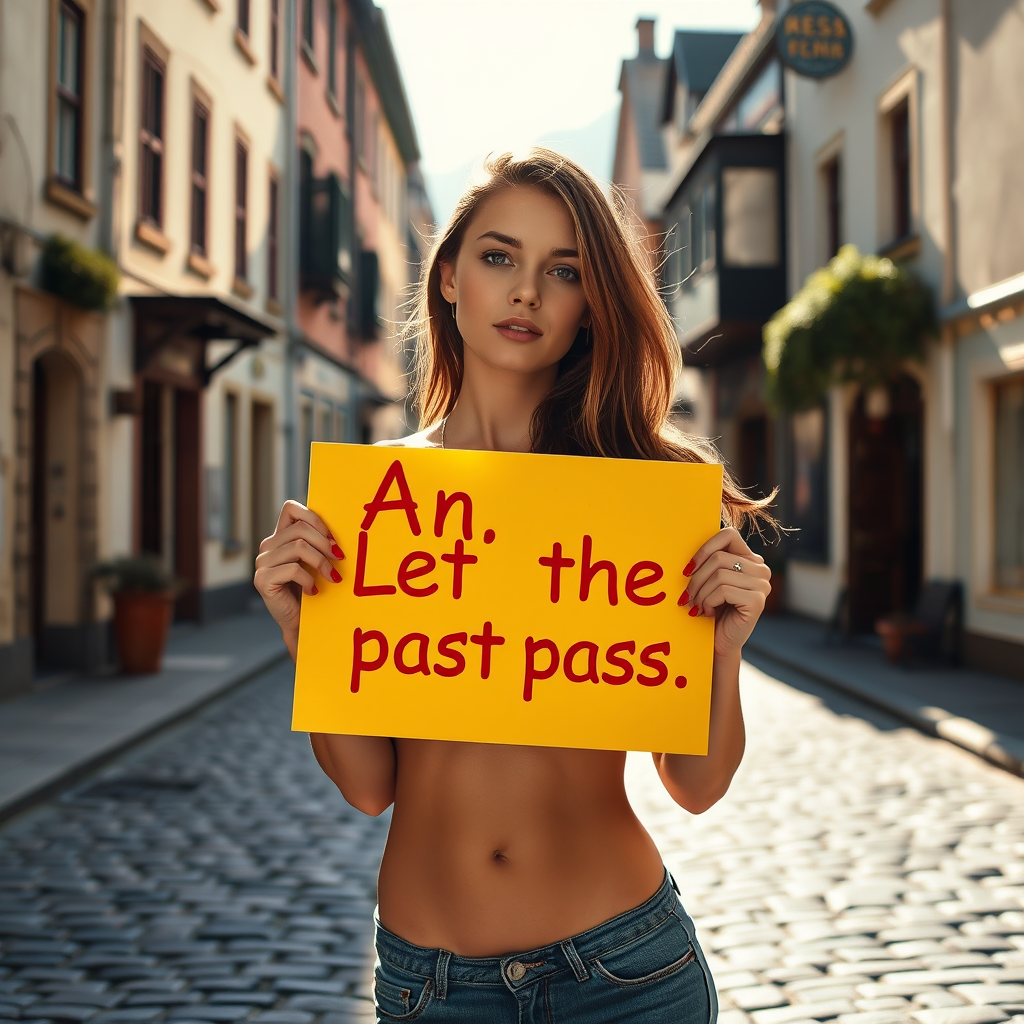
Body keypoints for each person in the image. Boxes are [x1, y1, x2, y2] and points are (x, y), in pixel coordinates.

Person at [254, 148, 774, 1023]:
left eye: (563, 271)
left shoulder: (637, 498)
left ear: (589, 306)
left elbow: (696, 784)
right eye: (499, 257)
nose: (526, 291)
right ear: (450, 277)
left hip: (626, 974)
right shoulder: (377, 504)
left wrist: (723, 654)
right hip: (434, 987)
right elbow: (369, 786)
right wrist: (303, 630)